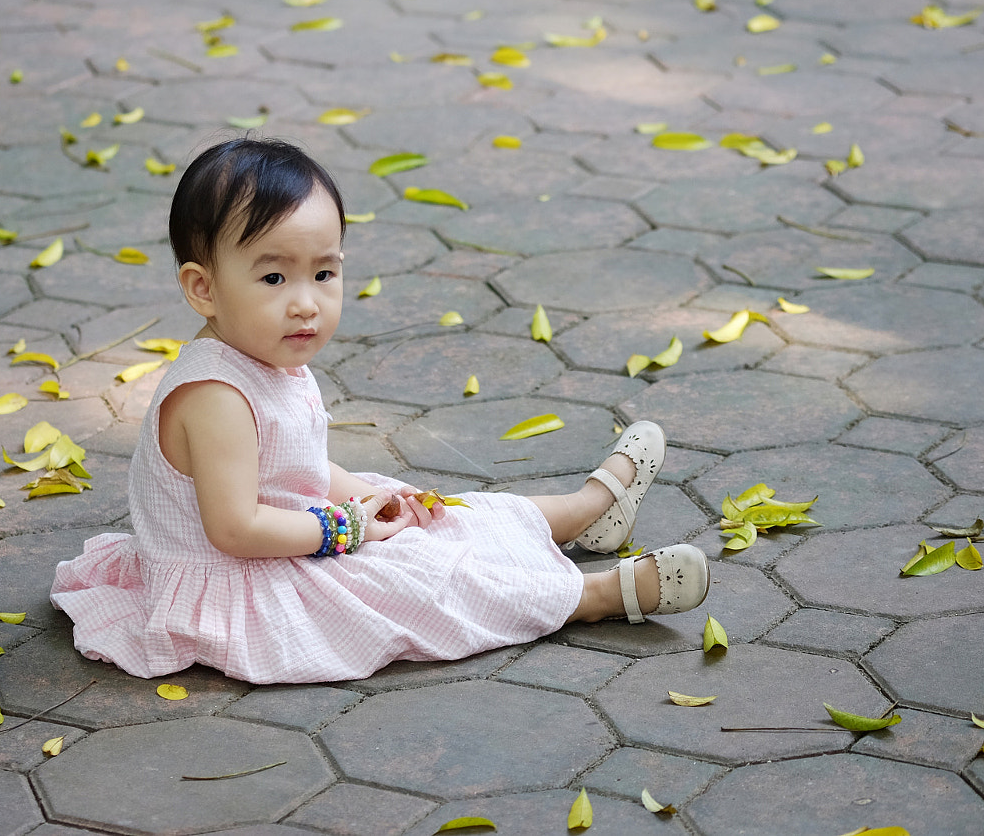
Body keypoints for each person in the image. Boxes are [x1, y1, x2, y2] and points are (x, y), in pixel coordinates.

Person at [50, 135, 710, 684]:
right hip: (244, 584)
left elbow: (296, 467)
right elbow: (235, 529)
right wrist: (349, 531)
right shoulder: (215, 396)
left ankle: (583, 514)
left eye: (325, 273)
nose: (306, 301)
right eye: (274, 277)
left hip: (290, 533)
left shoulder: (264, 356)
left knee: (436, 516)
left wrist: (373, 499)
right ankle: (593, 599)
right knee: (417, 581)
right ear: (203, 288)